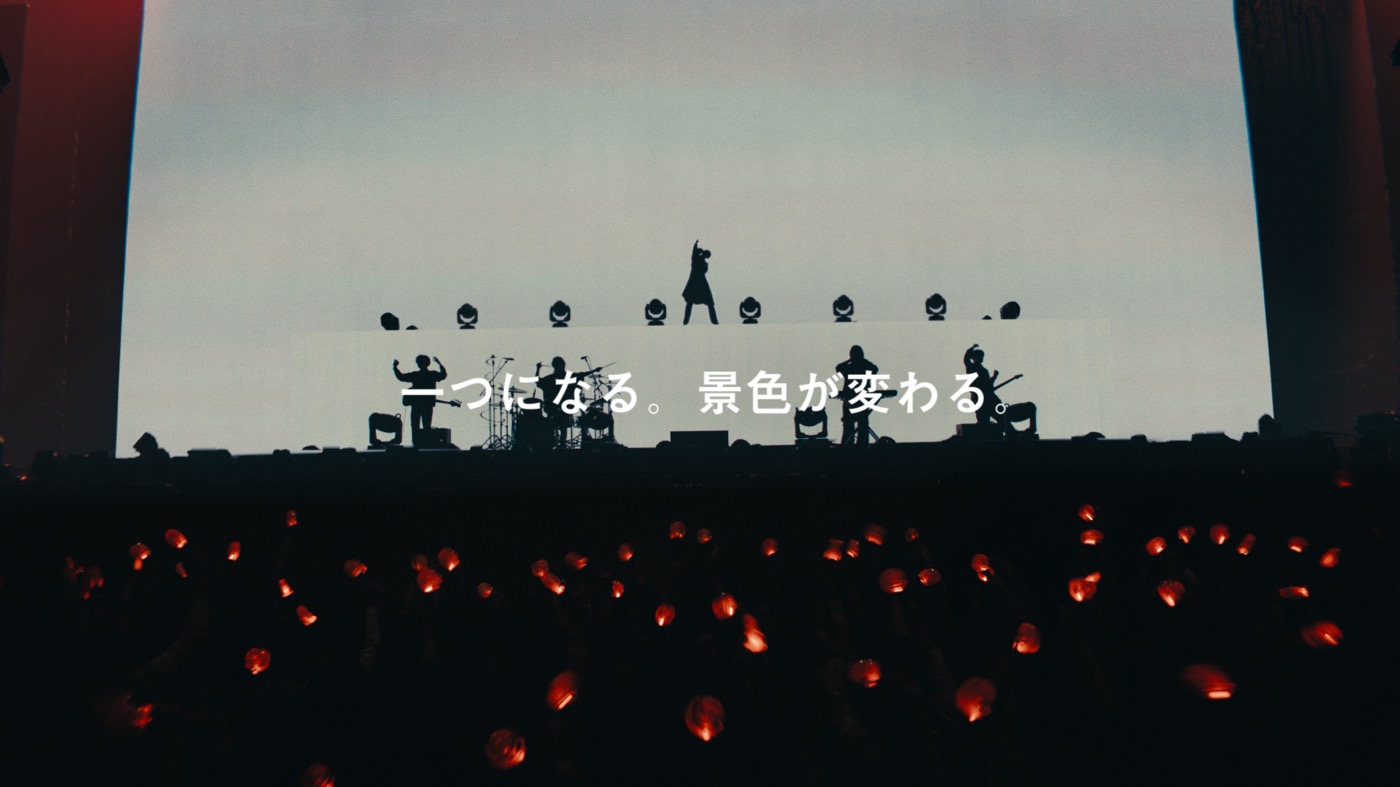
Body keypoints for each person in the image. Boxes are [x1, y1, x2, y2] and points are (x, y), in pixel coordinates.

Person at [394, 354, 447, 445]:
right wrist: (439, 364)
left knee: (416, 425)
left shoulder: (416, 375)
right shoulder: (432, 375)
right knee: (425, 425)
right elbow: (443, 375)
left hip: (417, 404)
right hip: (426, 404)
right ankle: (424, 443)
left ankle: (416, 443)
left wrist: (395, 368)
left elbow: (401, 377)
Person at [836, 345, 880, 446]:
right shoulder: (866, 367)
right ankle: (863, 445)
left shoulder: (848, 368)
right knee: (863, 423)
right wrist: (864, 361)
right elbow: (875, 369)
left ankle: (847, 445)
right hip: (863, 398)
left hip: (849, 398)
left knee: (848, 424)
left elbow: (838, 368)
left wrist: (849, 361)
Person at [682, 240, 718, 325]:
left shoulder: (703, 263)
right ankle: (685, 322)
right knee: (690, 303)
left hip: (701, 284)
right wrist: (695, 245)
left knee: (709, 303)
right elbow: (694, 253)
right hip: (695, 283)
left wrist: (696, 247)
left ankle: (714, 321)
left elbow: (694, 253)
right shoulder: (696, 259)